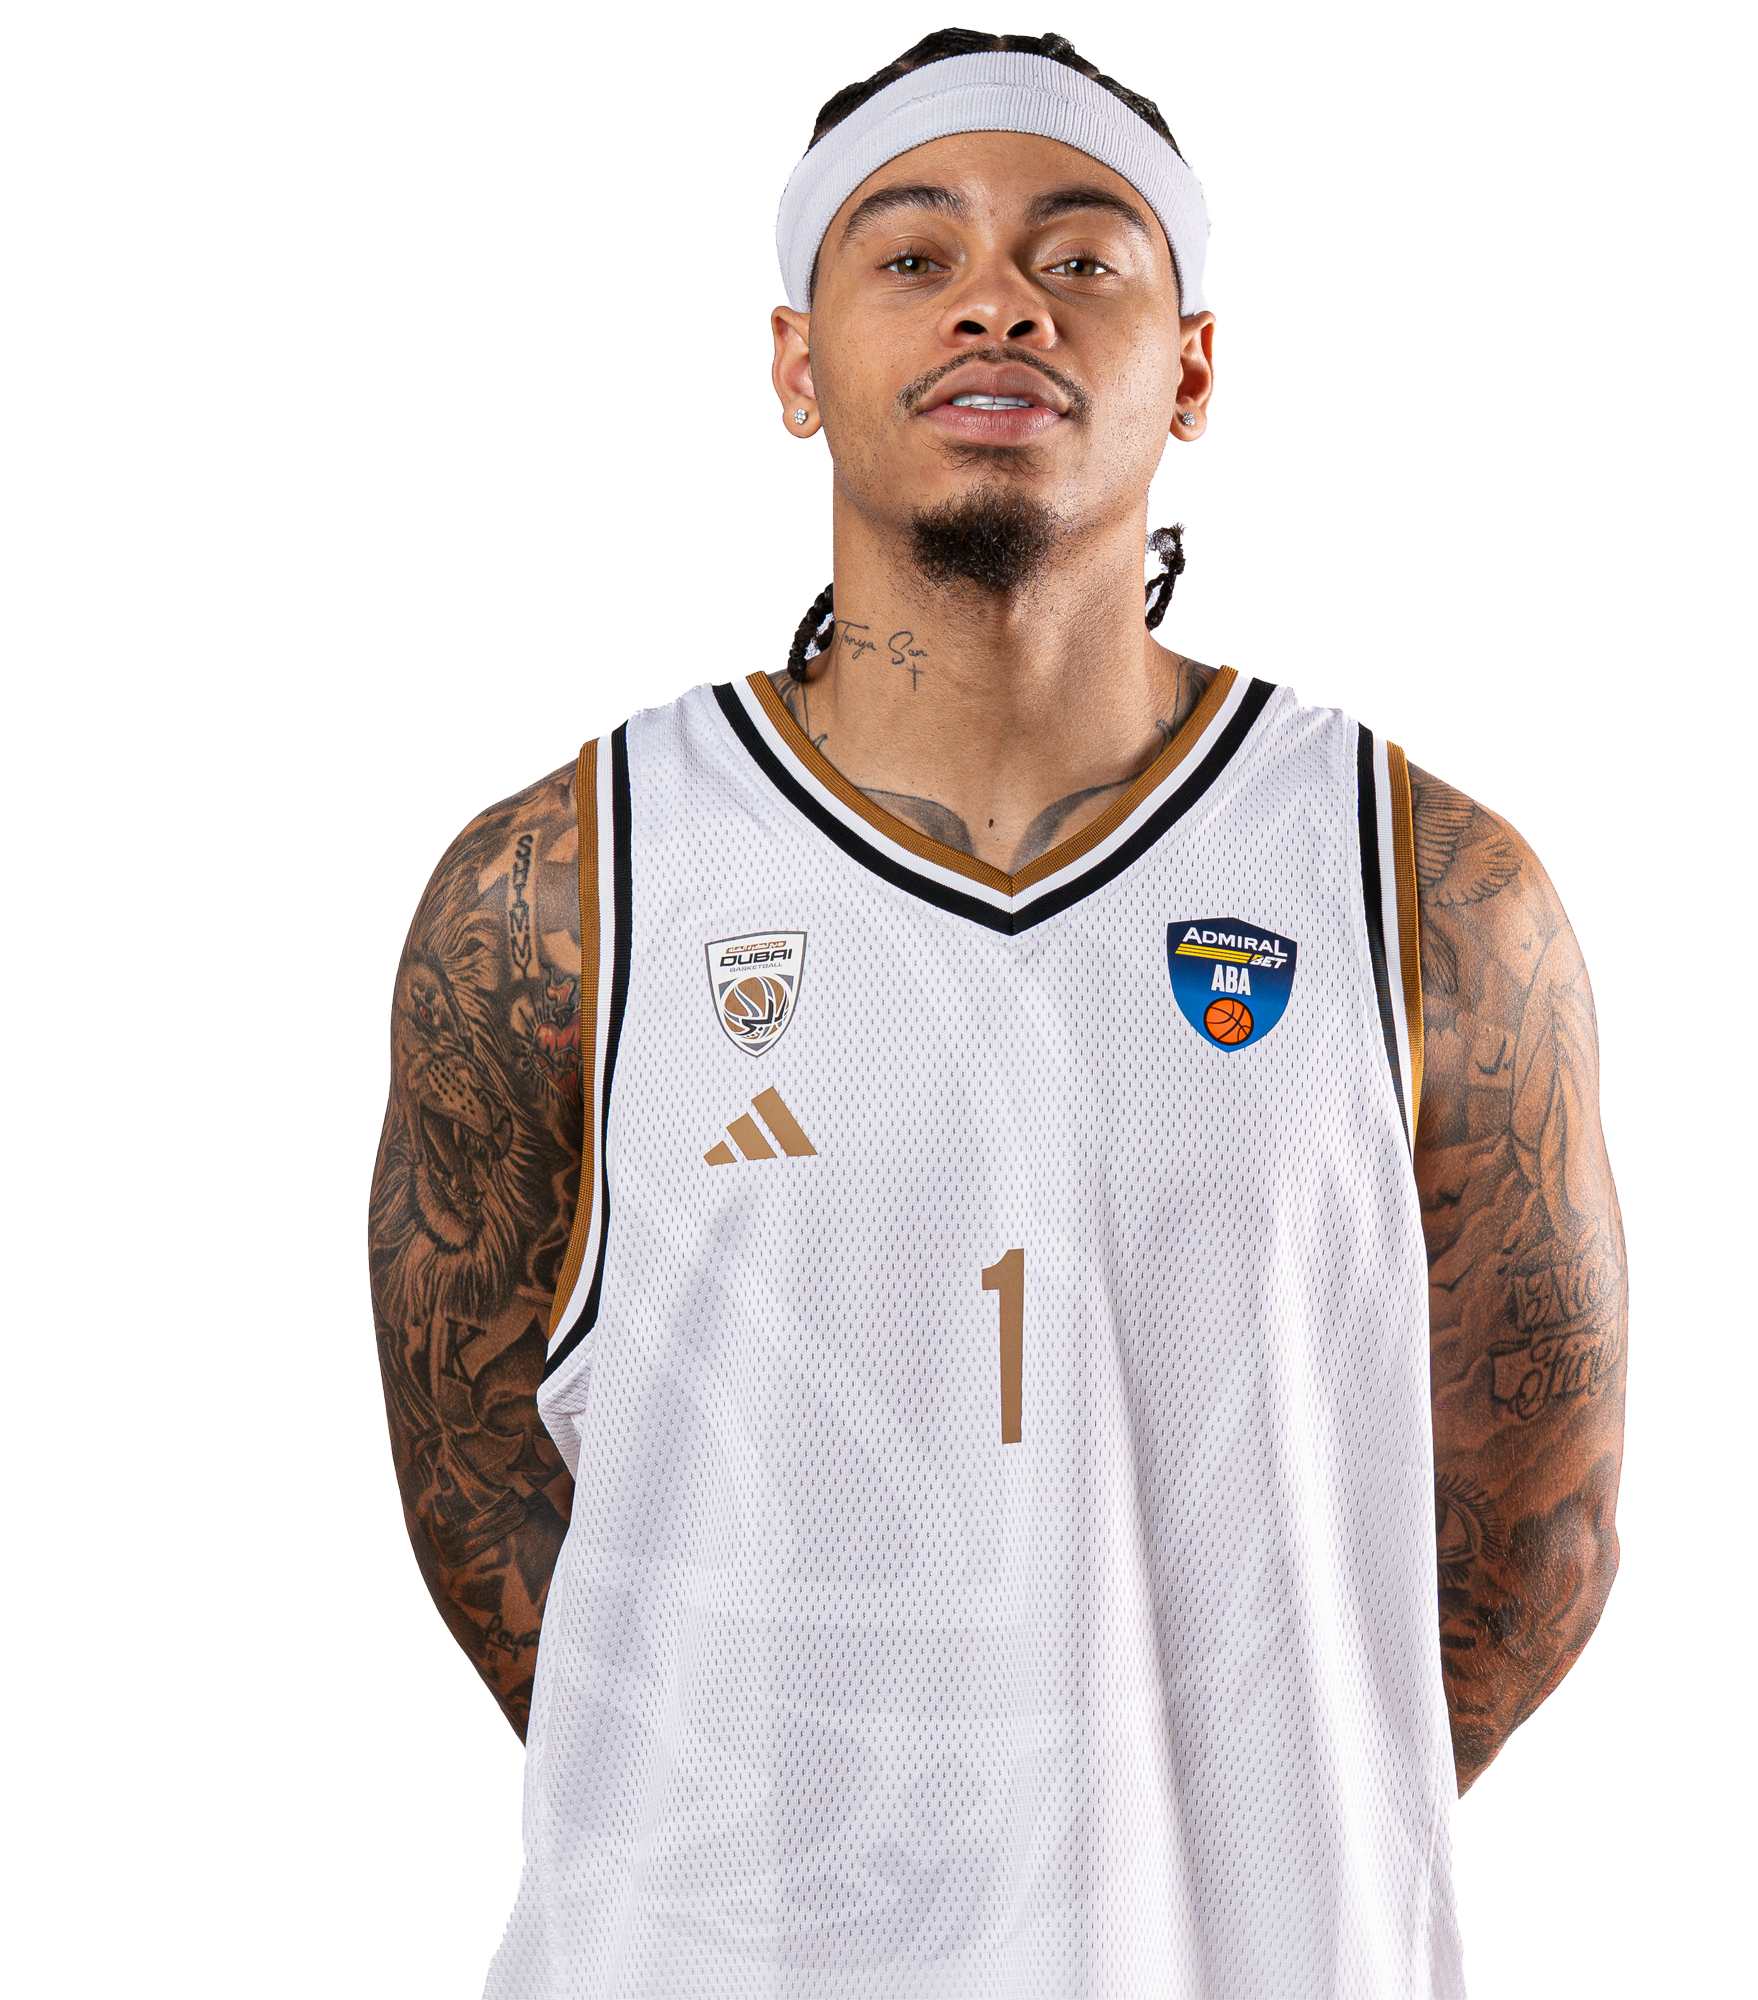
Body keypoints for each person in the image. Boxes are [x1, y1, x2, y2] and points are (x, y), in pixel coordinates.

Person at [369, 28, 1625, 1998]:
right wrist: (776, 1806)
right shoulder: (563, 891)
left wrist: (1207, 1819)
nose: (998, 300)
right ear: (797, 360)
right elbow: (482, 1497)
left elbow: (1533, 1532)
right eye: (912, 251)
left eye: (1079, 253)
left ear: (1189, 366)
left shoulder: (1430, 895)